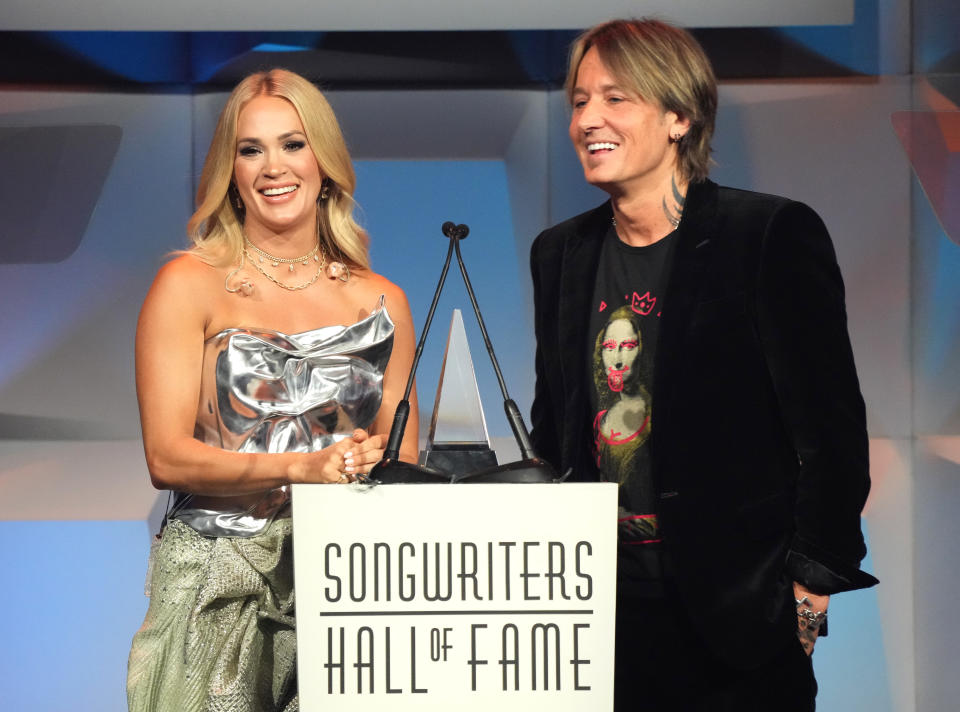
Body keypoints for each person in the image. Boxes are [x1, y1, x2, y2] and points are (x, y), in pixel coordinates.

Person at [529, 19, 878, 711]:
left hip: (739, 622)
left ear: (679, 116)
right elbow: (559, 425)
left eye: (615, 99)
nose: (588, 119)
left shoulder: (768, 235)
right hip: (600, 617)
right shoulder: (560, 252)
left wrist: (808, 593)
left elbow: (831, 433)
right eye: (578, 101)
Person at [126, 69, 418, 712]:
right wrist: (301, 468)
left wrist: (372, 466)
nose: (271, 167)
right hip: (218, 585)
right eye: (250, 149)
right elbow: (166, 457)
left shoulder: (383, 300)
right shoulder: (188, 283)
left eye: (292, 144)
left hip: (350, 583)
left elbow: (406, 466)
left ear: (325, 160)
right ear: (230, 170)